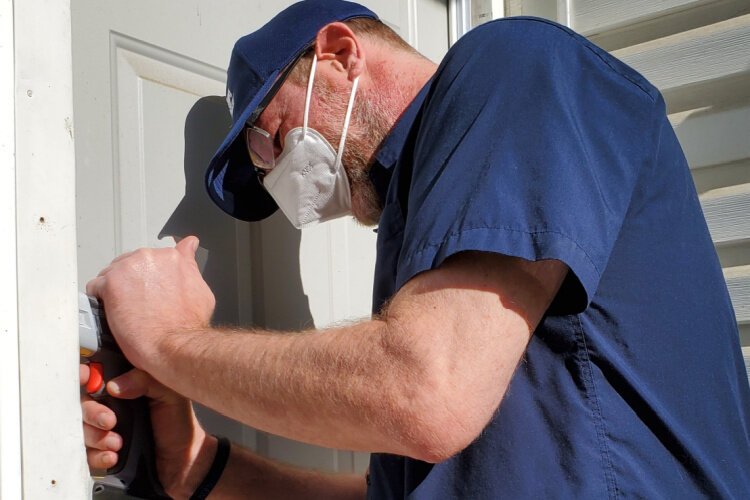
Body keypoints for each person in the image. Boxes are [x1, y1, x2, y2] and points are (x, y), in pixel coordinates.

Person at [80, 0, 750, 498]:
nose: (280, 176)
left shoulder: (511, 66)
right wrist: (198, 466)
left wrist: (168, 341)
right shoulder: (421, 224)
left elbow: (425, 393)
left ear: (340, 55)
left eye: (271, 138)